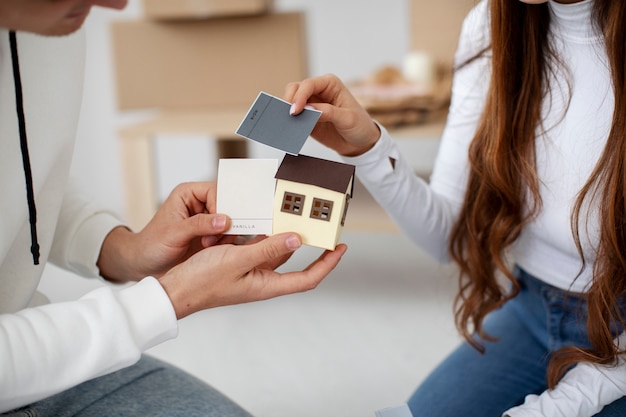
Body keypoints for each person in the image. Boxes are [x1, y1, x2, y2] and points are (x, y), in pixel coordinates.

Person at [0, 0, 347, 415]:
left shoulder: (54, 25)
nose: (119, 4)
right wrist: (170, 297)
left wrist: (124, 251)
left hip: (52, 352)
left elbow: (23, 172)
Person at [285, 0, 626, 416]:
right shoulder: (493, 24)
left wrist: (555, 407)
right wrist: (369, 150)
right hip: (535, 309)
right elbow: (448, 238)